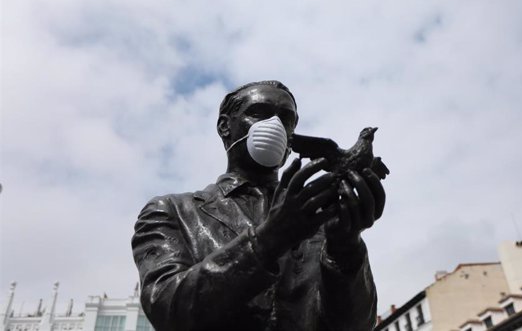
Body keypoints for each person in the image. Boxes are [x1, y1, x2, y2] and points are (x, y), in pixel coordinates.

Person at [131, 80, 386, 331]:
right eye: (259, 113)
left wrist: (346, 248)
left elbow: (356, 326)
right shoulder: (173, 212)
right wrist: (270, 238)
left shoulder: (316, 221)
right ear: (224, 126)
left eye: (286, 119)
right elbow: (168, 309)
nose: (275, 126)